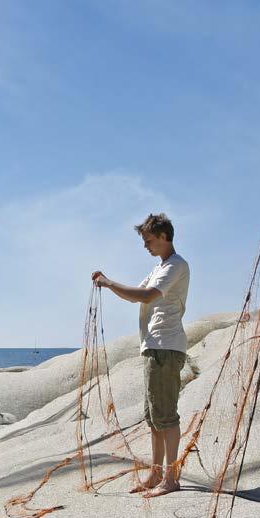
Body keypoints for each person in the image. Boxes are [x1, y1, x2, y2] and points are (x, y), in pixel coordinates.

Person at [91, 213, 190, 498]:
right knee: (154, 417)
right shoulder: (159, 267)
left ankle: (171, 478)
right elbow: (137, 294)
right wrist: (107, 284)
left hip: (165, 346)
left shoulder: (176, 265)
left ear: (163, 237)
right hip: (155, 347)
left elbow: (146, 296)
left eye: (148, 240)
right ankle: (156, 473)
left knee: (166, 417)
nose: (145, 246)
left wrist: (109, 283)